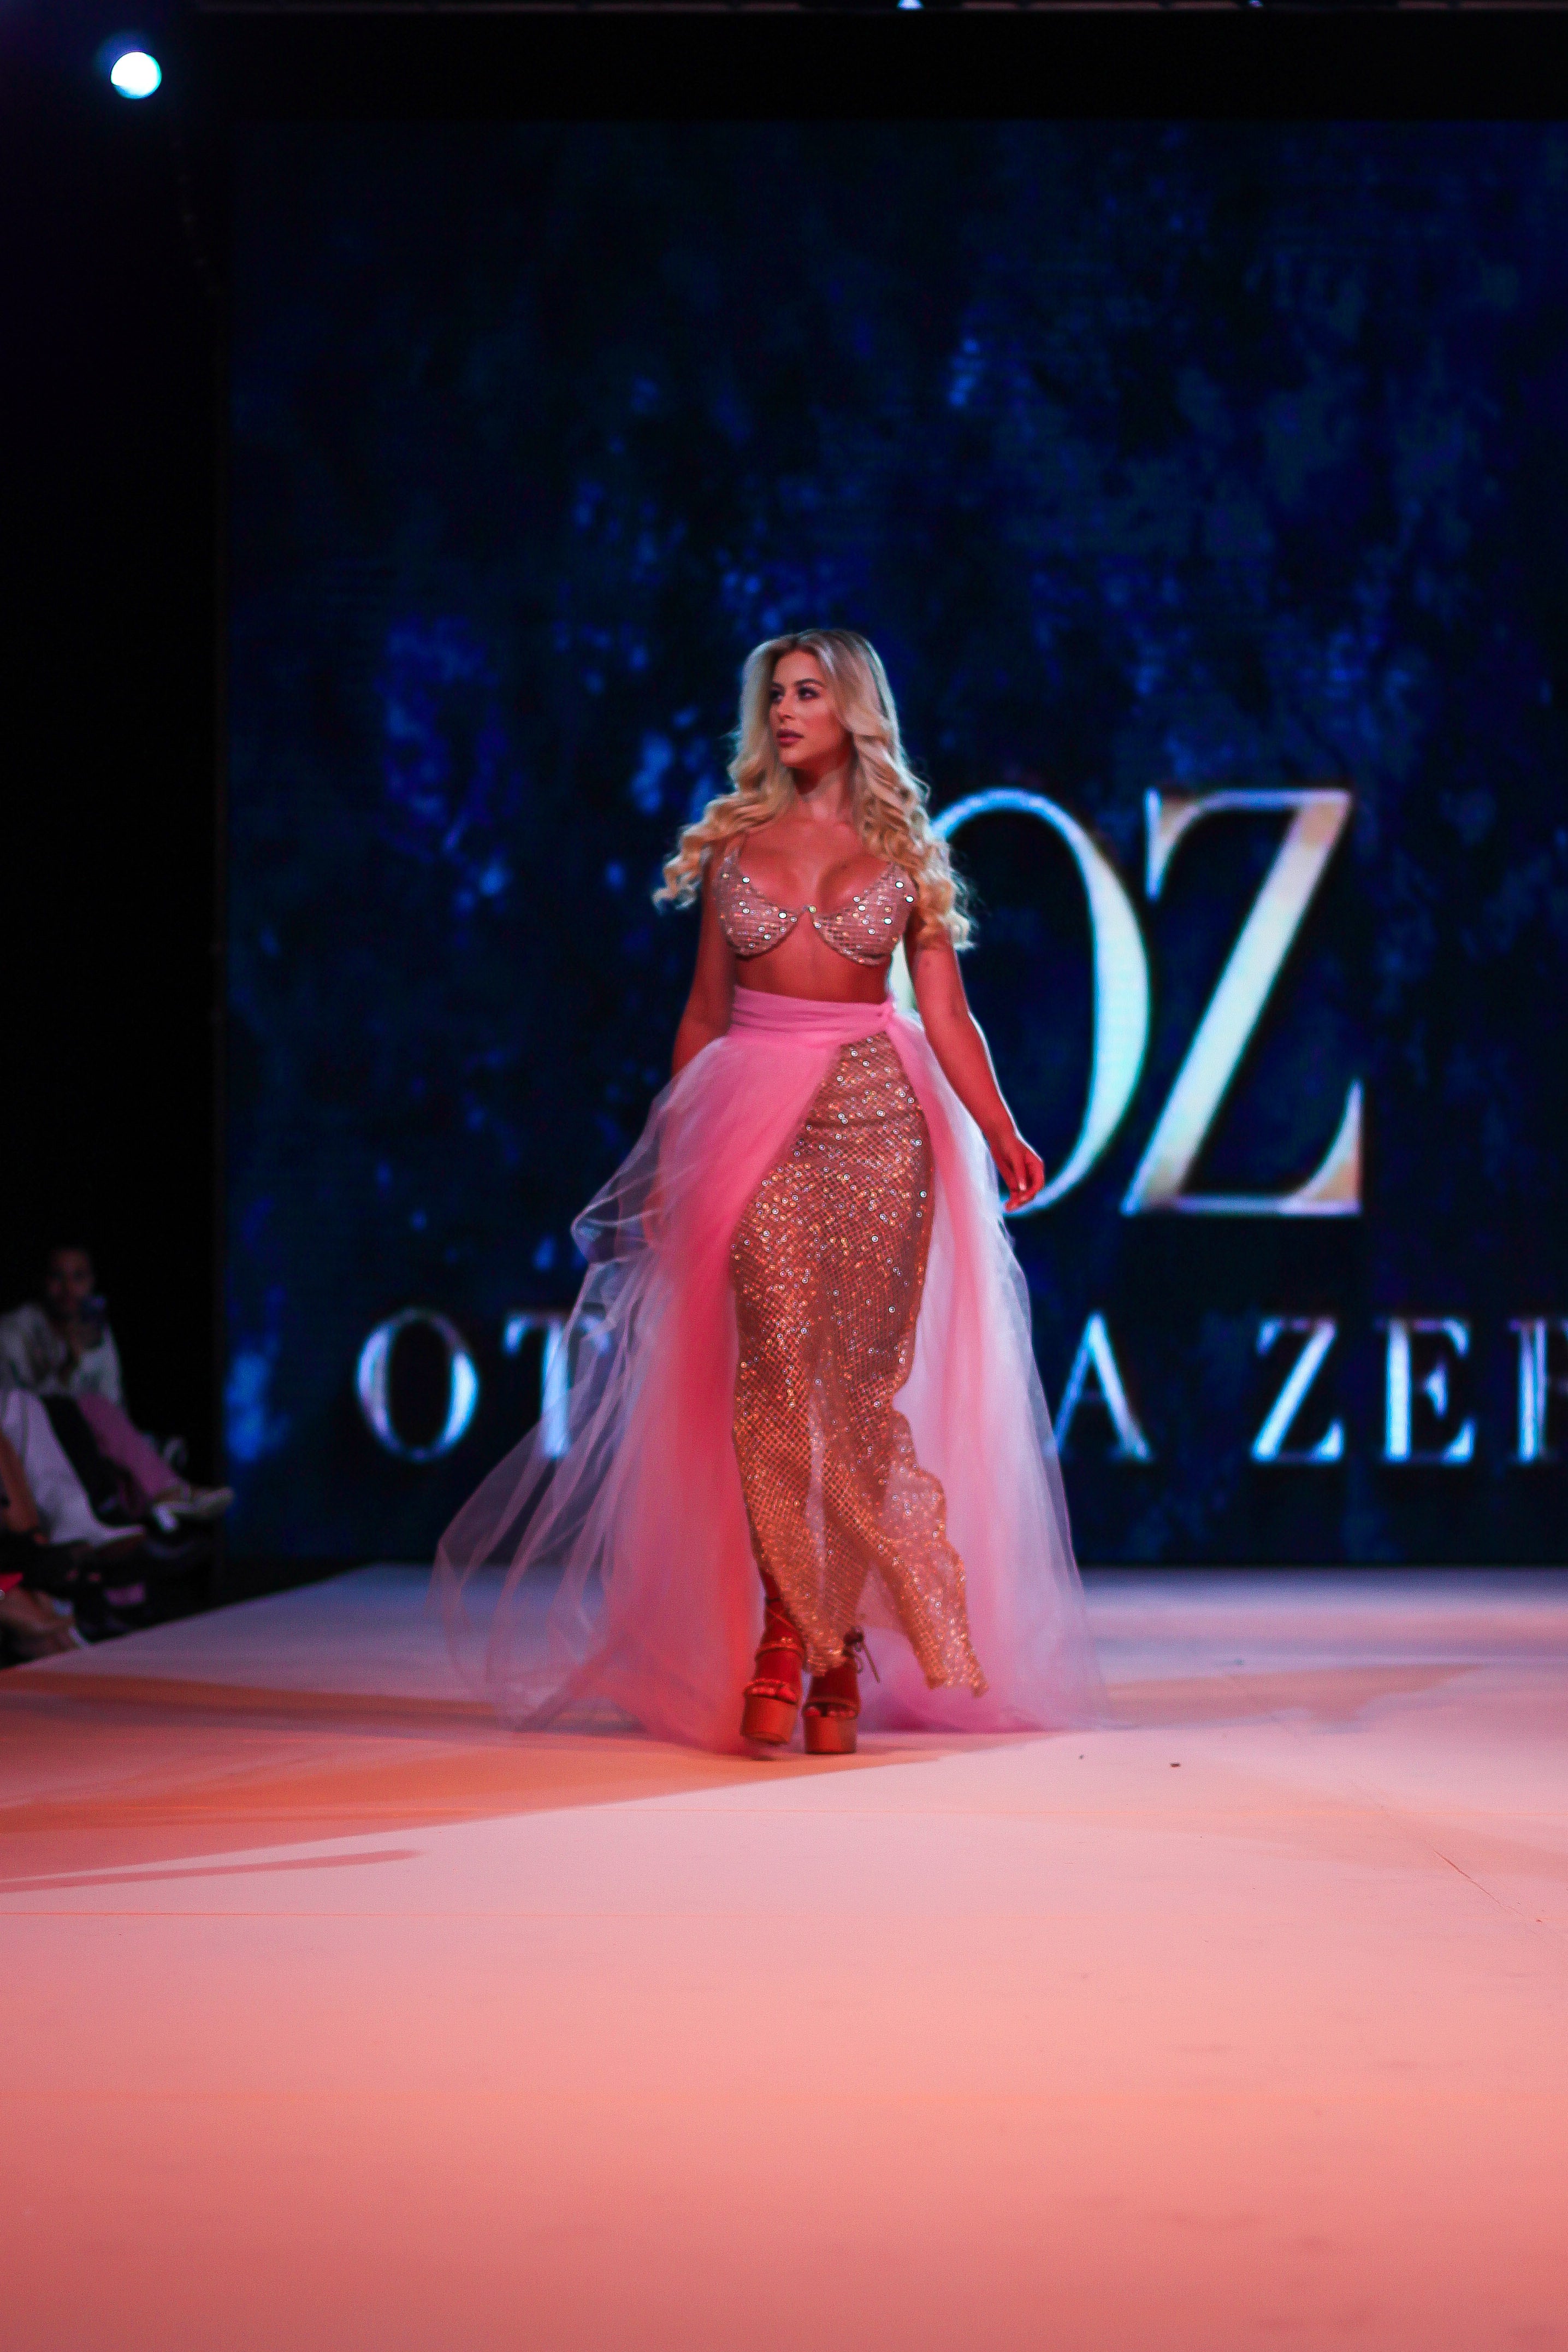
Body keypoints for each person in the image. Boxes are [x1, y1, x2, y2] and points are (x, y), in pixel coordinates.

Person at [436, 628, 1102, 1754]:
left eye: (806, 693)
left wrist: (999, 1127)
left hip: (881, 1121)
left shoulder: (906, 850)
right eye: (775, 695)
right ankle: (792, 1638)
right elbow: (704, 1013)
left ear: (854, 709)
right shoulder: (735, 848)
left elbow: (945, 1011)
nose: (784, 711)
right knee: (776, 1375)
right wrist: (671, 1154)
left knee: (854, 1393)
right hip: (752, 1122)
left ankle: (825, 1635)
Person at [0, 1245, 232, 1529]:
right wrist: (68, 1366)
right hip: (38, 1457)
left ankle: (161, 1500)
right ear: (43, 1281)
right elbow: (17, 1415)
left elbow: (113, 1406)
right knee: (93, 1412)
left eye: (78, 1277)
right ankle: (167, 1492)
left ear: (92, 1282)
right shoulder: (14, 1331)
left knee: (125, 1458)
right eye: (58, 1277)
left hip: (90, 1449)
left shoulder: (95, 1330)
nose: (68, 1289)